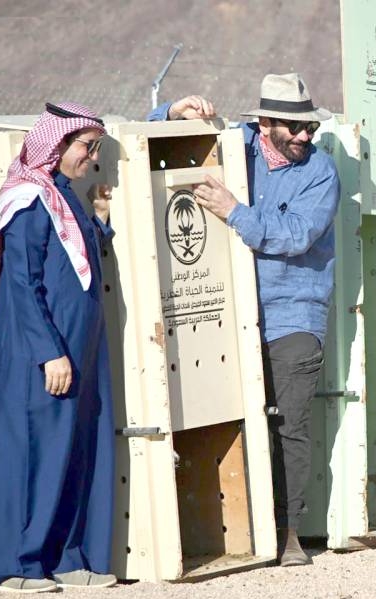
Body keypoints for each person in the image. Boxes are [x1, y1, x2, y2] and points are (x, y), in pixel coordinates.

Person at [151, 73, 339, 565]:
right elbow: (141, 145)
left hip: (293, 314)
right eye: (292, 128)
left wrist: (236, 211)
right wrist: (172, 114)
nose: (303, 137)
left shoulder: (321, 172)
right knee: (216, 414)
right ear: (264, 123)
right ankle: (230, 531)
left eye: (309, 129)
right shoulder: (231, 144)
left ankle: (290, 531)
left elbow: (297, 235)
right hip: (225, 311)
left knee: (289, 424)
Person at [0, 102, 117, 593]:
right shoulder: (30, 199)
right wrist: (49, 350)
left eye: (95, 149)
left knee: (69, 451)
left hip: (80, 348)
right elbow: (23, 285)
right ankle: (15, 563)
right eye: (86, 147)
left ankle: (64, 557)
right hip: (40, 351)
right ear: (56, 145)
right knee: (32, 451)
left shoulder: (64, 196)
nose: (91, 159)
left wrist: (101, 222)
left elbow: (74, 258)